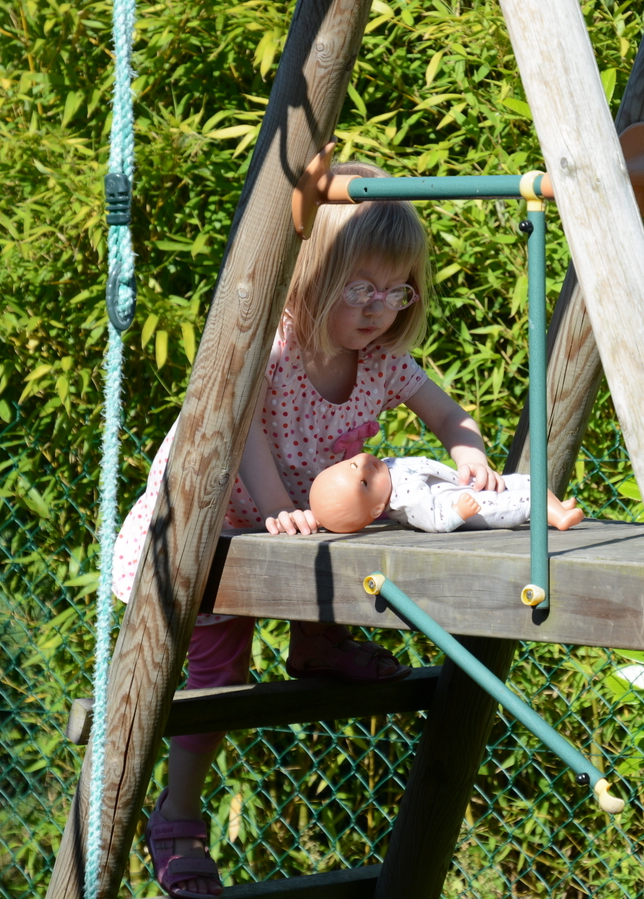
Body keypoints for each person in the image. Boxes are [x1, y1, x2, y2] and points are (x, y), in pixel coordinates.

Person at [111, 161, 505, 899]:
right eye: (361, 289)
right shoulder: (274, 345)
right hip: (215, 522)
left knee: (362, 515)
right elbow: (241, 432)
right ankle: (178, 815)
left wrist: (468, 450)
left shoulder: (380, 361)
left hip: (295, 521)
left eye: (396, 291)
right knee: (218, 677)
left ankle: (315, 642)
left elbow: (448, 413)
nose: (378, 309)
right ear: (311, 277)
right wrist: (270, 506)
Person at [308, 451, 585, 534]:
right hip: (474, 507)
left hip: (466, 487)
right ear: (377, 509)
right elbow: (435, 522)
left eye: (353, 464)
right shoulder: (406, 502)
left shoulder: (388, 469)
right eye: (364, 483)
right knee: (523, 501)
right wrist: (458, 513)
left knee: (527, 482)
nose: (364, 467)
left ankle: (556, 507)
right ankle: (558, 518)